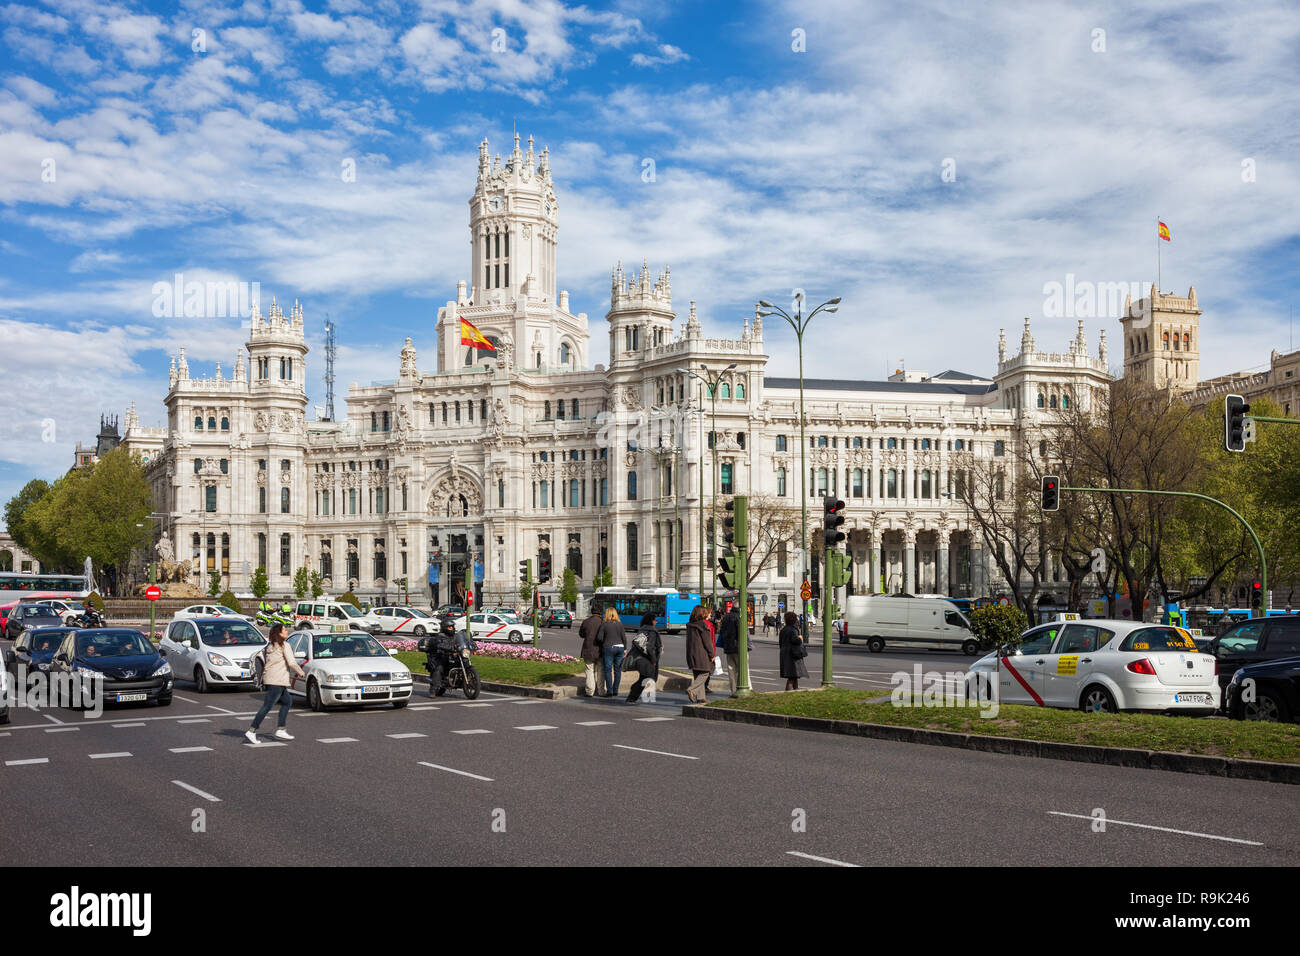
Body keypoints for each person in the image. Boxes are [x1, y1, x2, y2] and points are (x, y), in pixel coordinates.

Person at [246, 623, 304, 744]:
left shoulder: (270, 646)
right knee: (267, 706)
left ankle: (281, 729)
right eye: (284, 630)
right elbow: (292, 662)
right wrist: (301, 672)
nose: (287, 631)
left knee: (287, 701)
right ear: (279, 634)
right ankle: (252, 731)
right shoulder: (284, 645)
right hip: (277, 680)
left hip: (272, 679)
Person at [625, 612, 662, 704]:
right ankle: (632, 696)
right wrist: (653, 659)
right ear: (651, 621)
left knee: (644, 677)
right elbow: (650, 647)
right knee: (647, 678)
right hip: (648, 659)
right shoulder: (653, 631)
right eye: (655, 620)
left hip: (640, 658)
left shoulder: (642, 629)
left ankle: (632, 696)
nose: (656, 622)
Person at [719, 605, 751, 696]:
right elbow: (742, 633)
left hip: (728, 647)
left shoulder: (726, 617)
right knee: (743, 669)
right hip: (739, 647)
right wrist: (748, 645)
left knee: (731, 670)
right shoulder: (740, 617)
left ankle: (733, 691)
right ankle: (747, 688)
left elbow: (721, 631)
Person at [685, 606, 713, 704]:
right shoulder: (702, 625)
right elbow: (707, 642)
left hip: (691, 653)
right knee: (706, 672)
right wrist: (711, 654)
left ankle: (701, 697)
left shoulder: (690, 625)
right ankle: (692, 690)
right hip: (702, 654)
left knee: (697, 675)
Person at [597, 607, 626, 697]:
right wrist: (625, 649)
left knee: (608, 670)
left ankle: (609, 691)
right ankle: (615, 690)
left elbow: (599, 638)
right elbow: (624, 638)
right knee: (618, 670)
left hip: (608, 647)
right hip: (620, 647)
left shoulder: (604, 624)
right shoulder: (620, 624)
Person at [578, 607, 606, 698]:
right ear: (600, 612)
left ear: (591, 612)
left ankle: (590, 691)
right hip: (600, 650)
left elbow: (581, 634)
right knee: (601, 670)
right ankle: (602, 691)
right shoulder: (603, 622)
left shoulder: (586, 621)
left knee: (589, 670)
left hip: (588, 649)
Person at [779, 611, 808, 691]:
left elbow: (780, 643)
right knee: (792, 676)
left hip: (785, 654)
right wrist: (800, 638)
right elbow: (795, 640)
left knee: (794, 675)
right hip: (793, 655)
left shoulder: (783, 629)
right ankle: (788, 693)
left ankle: (796, 691)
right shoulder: (793, 629)